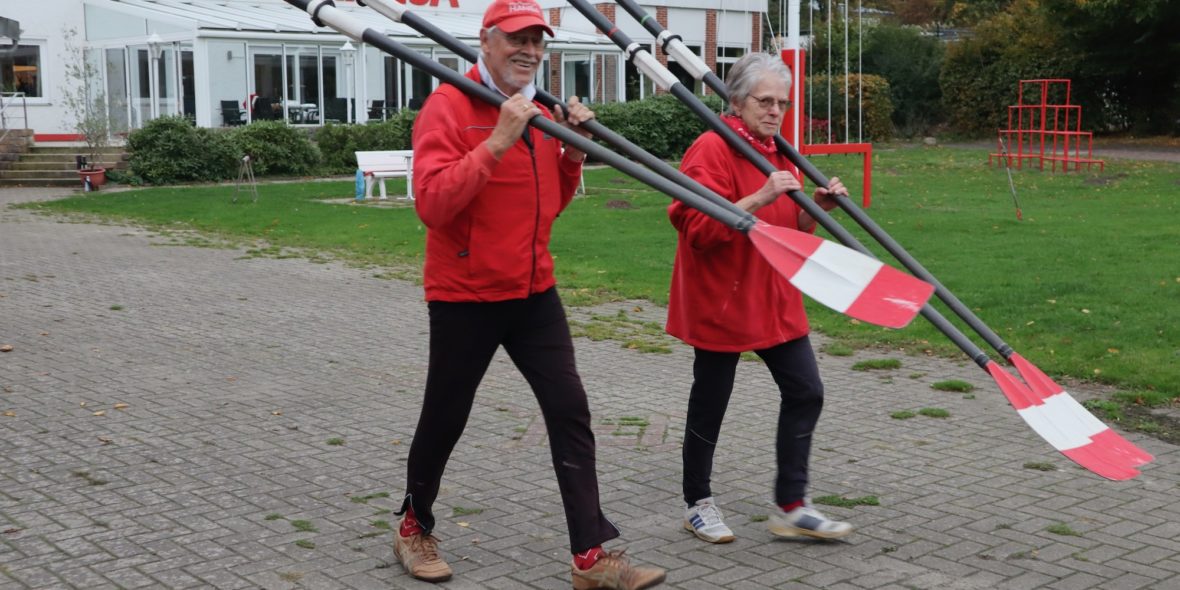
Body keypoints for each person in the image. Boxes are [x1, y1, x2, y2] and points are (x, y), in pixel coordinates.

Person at [393, 1, 666, 589]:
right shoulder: (449, 106)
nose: (531, 51)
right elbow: (433, 206)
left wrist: (572, 153)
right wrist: (496, 141)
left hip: (533, 290)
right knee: (446, 415)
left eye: (539, 41)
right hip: (466, 293)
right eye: (518, 39)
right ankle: (413, 526)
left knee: (570, 411)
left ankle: (590, 556)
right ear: (486, 41)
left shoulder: (538, 111)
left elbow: (548, 205)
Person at [667, 52, 854, 545]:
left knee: (807, 391)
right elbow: (698, 230)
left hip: (772, 296)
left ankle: (792, 506)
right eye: (764, 101)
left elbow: (788, 231)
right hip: (723, 299)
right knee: (711, 403)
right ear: (736, 101)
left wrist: (817, 207)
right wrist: (760, 196)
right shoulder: (712, 147)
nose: (775, 111)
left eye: (782, 104)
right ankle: (697, 504)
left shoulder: (779, 152)